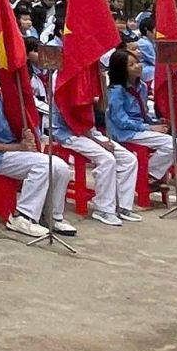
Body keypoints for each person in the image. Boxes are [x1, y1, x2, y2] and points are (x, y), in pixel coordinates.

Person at [0, 88, 75, 240]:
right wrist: (19, 147)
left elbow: (33, 139)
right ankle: (23, 215)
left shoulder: (24, 107)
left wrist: (30, 140)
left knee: (61, 167)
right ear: (0, 87)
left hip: (19, 154)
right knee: (43, 166)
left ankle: (52, 216)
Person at [49, 64, 139, 228]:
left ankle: (123, 206)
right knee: (107, 159)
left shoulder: (89, 74)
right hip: (68, 132)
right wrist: (100, 143)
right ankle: (103, 208)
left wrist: (103, 84)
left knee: (129, 159)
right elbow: (73, 118)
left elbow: (100, 107)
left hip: (90, 130)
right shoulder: (62, 77)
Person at [105, 48, 177, 192]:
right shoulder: (116, 91)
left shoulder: (142, 86)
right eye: (131, 65)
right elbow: (120, 120)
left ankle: (148, 175)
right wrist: (148, 128)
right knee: (175, 145)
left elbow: (142, 111)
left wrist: (153, 122)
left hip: (140, 127)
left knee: (173, 141)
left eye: (137, 62)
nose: (137, 66)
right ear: (121, 70)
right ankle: (146, 175)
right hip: (124, 132)